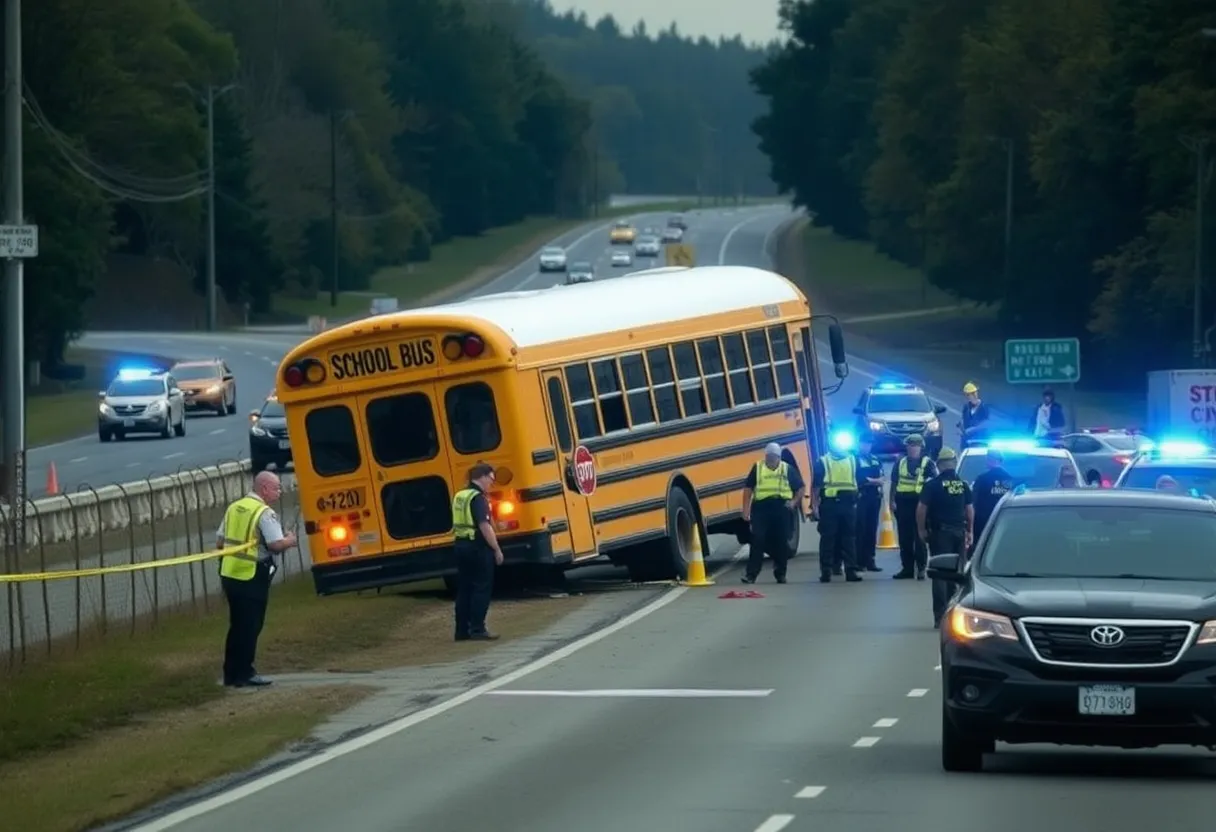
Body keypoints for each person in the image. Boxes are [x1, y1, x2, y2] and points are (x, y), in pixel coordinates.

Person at [216, 470, 298, 688]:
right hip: (252, 576)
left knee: (237, 626)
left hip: (230, 574)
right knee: (251, 625)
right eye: (277, 487)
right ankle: (245, 673)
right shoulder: (264, 513)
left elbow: (219, 542)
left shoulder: (235, 507)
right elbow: (275, 545)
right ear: (264, 489)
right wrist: (290, 540)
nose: (280, 491)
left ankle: (230, 674)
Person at [916, 448, 974, 628]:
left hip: (940, 533)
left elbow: (921, 509)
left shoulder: (932, 485)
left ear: (940, 465)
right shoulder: (963, 485)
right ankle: (954, 615)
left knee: (940, 573)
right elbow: (969, 510)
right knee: (957, 574)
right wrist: (970, 531)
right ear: (955, 463)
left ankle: (940, 617)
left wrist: (921, 530)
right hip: (959, 532)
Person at [452, 462, 505, 641]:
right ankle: (477, 628)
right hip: (477, 547)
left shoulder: (460, 495)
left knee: (464, 589)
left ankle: (461, 630)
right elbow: (484, 525)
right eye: (491, 479)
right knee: (481, 588)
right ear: (481, 477)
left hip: (460, 545)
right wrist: (496, 549)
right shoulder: (478, 498)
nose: (492, 483)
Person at [742, 442, 805, 583]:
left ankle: (780, 573)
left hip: (781, 507)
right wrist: (745, 510)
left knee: (781, 541)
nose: (771, 460)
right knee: (757, 539)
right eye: (769, 457)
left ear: (779, 457)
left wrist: (794, 502)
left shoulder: (786, 469)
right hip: (761, 507)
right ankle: (751, 575)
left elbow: (800, 488)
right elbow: (748, 489)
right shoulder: (758, 468)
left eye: (774, 457)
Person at [812, 433, 863, 583]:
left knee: (849, 539)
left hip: (848, 504)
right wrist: (814, 505)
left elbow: (859, 480)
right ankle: (826, 571)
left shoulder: (853, 460)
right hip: (829, 505)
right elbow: (816, 486)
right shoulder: (823, 461)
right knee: (828, 538)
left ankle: (851, 570)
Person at [890, 434, 938, 580]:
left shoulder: (927, 463)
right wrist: (891, 501)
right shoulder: (900, 462)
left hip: (919, 504)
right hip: (903, 503)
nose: (912, 448)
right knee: (904, 538)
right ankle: (907, 569)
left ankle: (922, 568)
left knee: (920, 537)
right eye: (910, 445)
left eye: (915, 445)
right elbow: (894, 483)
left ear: (920, 447)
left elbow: (934, 483)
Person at [854, 431, 885, 573]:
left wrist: (875, 482)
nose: (867, 446)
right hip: (861, 497)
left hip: (874, 498)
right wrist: (874, 481)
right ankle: (859, 561)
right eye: (865, 443)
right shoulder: (854, 459)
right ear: (860, 444)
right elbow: (859, 478)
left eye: (869, 443)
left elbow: (882, 477)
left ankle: (870, 560)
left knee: (872, 529)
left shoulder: (875, 459)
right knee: (860, 528)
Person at [970, 449, 1011, 547]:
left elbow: (973, 502)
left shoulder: (982, 479)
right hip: (1004, 521)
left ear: (989, 460)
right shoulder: (1008, 478)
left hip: (982, 523)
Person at [959, 382, 992, 447]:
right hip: (967, 440)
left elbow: (986, 424)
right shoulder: (966, 407)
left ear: (975, 394)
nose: (967, 397)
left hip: (979, 440)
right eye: (966, 395)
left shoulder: (983, 407)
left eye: (968, 395)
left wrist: (973, 429)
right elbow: (963, 420)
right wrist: (961, 428)